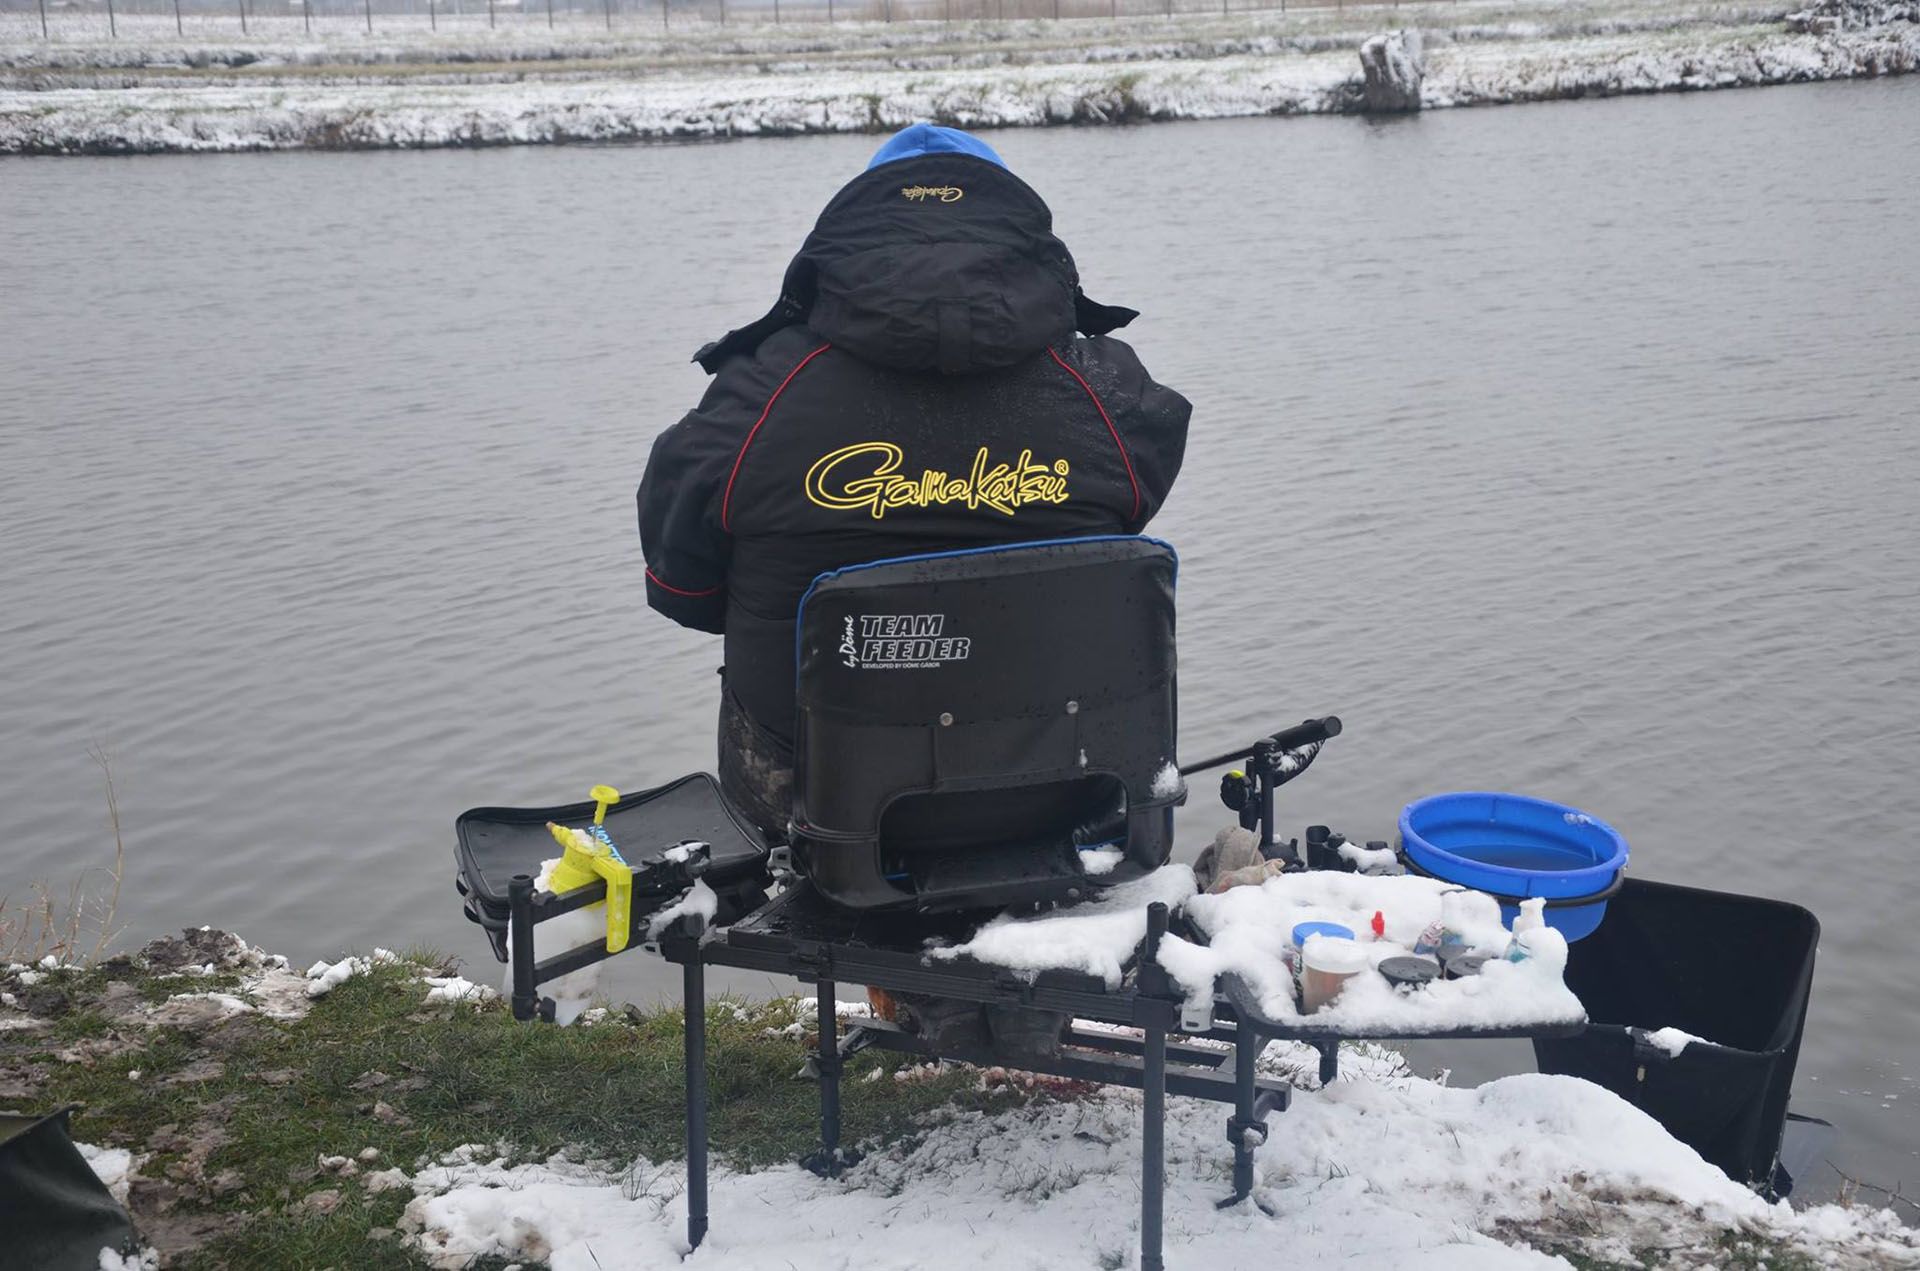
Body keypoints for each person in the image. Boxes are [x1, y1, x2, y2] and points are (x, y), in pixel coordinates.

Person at [637, 123, 1191, 839]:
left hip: (816, 815)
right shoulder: (1113, 397)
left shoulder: (754, 401)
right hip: (1072, 795)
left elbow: (686, 590)